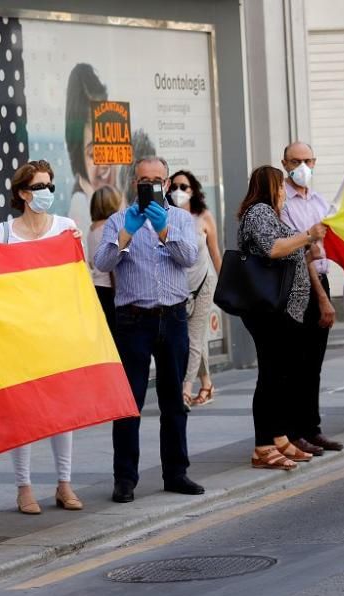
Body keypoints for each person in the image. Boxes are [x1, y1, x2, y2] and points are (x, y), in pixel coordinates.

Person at [93, 156, 205, 502]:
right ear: (134, 184)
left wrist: (163, 230)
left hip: (171, 316)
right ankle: (124, 478)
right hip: (133, 318)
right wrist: (128, 231)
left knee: (174, 401)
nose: (151, 186)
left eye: (157, 180)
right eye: (144, 180)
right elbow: (101, 263)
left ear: (167, 183)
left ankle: (176, 472)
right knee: (129, 403)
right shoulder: (116, 220)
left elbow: (188, 257)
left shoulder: (181, 218)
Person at [0, 160, 84, 514]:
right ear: (22, 193)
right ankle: (24, 487)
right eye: (40, 187)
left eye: (50, 186)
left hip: (57, 331)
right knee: (23, 413)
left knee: (62, 411)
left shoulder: (66, 227)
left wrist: (75, 249)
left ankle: (64, 483)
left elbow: (78, 277)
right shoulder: (3, 233)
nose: (46, 193)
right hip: (19, 332)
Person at [236, 166, 325, 471]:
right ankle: (262, 446)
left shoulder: (271, 215)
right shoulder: (259, 212)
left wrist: (308, 246)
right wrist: (307, 236)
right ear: (270, 187)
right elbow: (272, 249)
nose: (285, 191)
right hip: (269, 310)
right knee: (271, 378)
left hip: (285, 310)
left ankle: (279, 437)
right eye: (281, 187)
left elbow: (287, 248)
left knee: (282, 376)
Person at [278, 142, 341, 453]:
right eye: (295, 161)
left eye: (307, 160)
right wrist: (322, 299)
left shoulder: (319, 202)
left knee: (314, 362)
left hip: (322, 280)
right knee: (297, 362)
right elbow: (302, 255)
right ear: (284, 163)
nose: (302, 167)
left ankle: (311, 427)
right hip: (302, 285)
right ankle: (293, 431)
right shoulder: (284, 204)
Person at [168, 170, 222, 410]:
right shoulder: (167, 217)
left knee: (193, 338)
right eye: (174, 186)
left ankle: (184, 390)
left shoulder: (203, 217)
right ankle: (207, 384)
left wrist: (227, 286)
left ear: (193, 191)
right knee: (192, 339)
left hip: (204, 282)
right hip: (179, 285)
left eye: (184, 187)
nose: (178, 191)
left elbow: (215, 252)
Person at [65, 63, 117, 250]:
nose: (104, 161)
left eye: (109, 146)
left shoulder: (113, 197)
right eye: (93, 153)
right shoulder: (81, 204)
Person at [87, 185, 122, 333]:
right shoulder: (111, 228)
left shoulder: (92, 229)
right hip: (111, 290)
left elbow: (91, 261)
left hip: (97, 288)